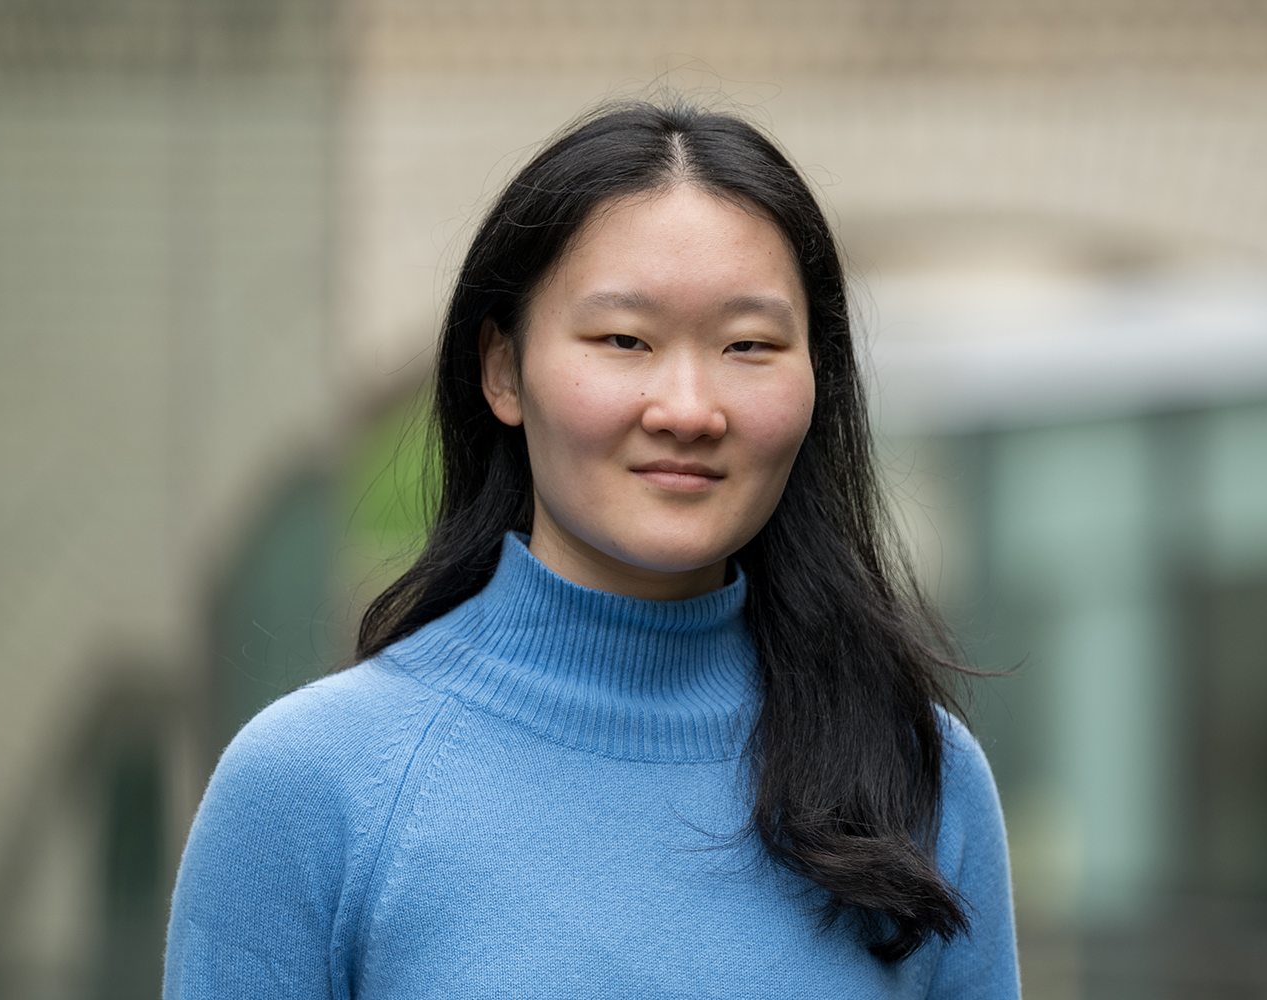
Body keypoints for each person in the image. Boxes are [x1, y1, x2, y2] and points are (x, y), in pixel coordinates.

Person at [164, 100, 1018, 998]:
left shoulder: (920, 778)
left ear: (817, 380)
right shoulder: (311, 786)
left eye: (749, 345)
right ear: (502, 369)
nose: (688, 409)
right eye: (624, 340)